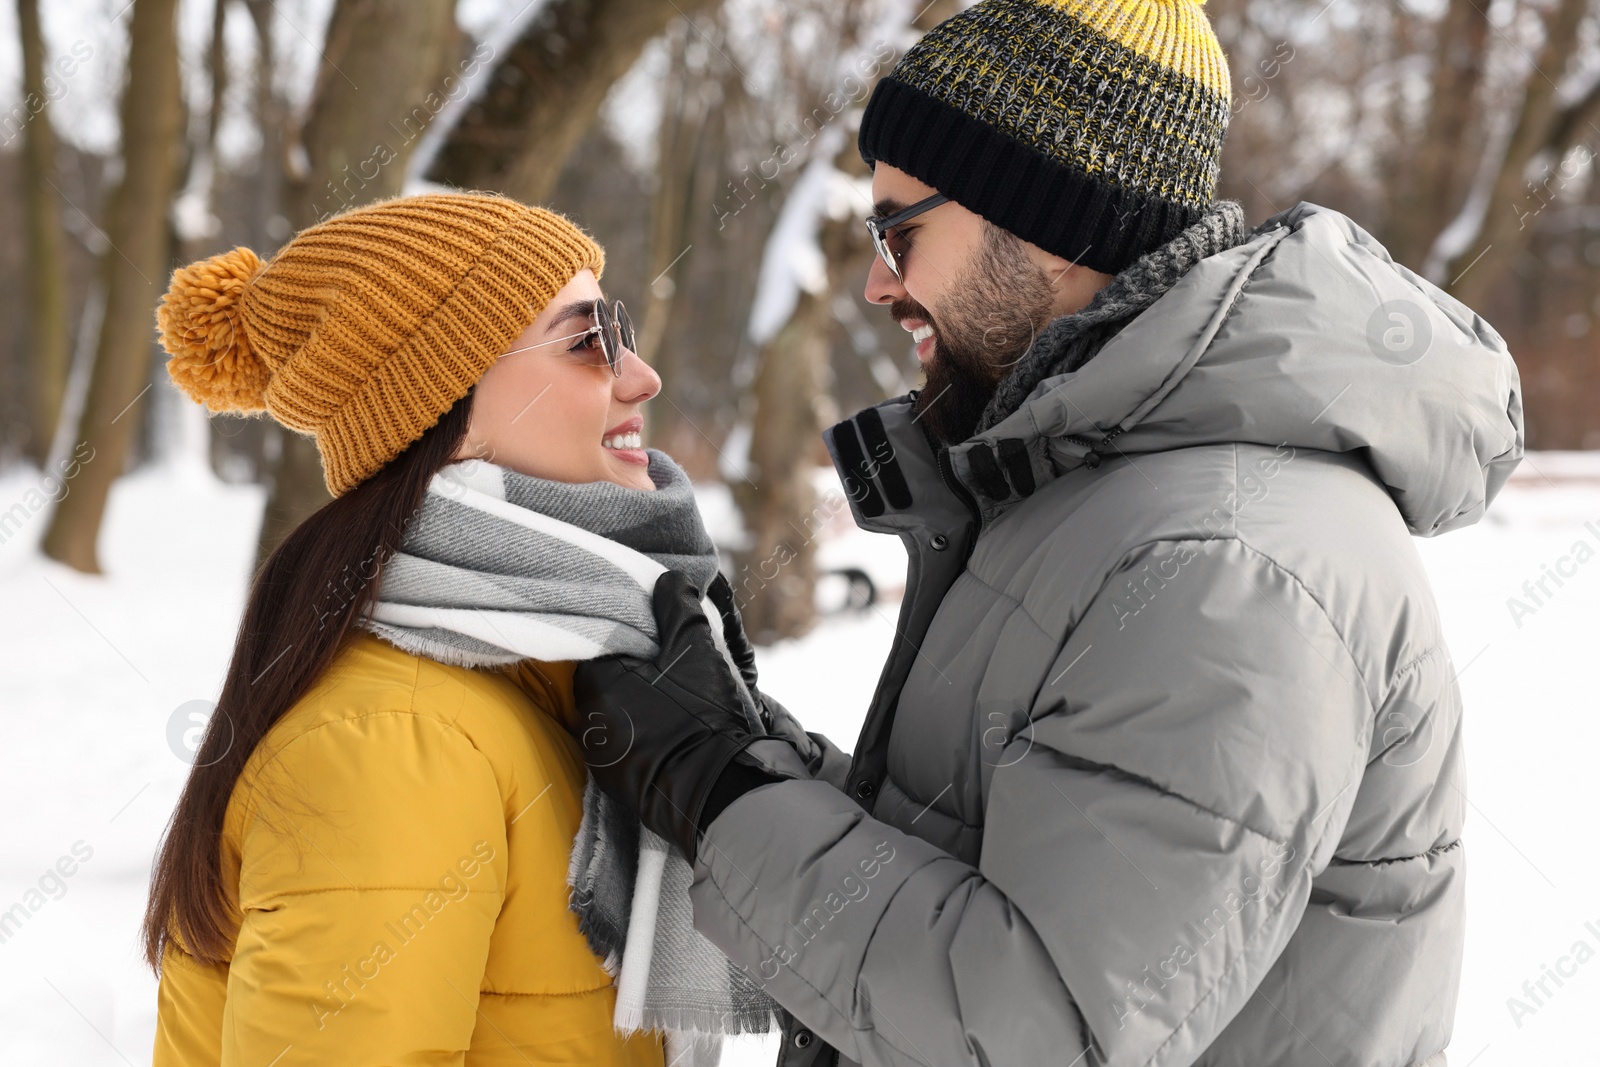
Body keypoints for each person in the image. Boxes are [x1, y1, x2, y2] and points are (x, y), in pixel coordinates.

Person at [569, 1, 1525, 1065]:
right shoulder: (1089, 490)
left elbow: (1034, 1023)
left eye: (901, 230)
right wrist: (752, 749)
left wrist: (719, 793)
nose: (879, 280)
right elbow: (973, 853)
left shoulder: (1225, 560)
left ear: (1046, 216)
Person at [142, 192, 802, 1066]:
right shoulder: (391, 743)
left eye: (624, 330)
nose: (639, 376)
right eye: (586, 341)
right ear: (440, 415)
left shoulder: (558, 681)